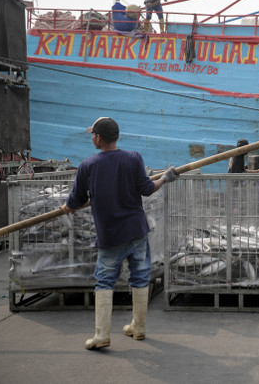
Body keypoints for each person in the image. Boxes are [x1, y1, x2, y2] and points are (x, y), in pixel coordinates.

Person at [61, 117, 178, 350]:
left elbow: (76, 200)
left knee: (104, 280)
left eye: (93, 134)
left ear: (99, 138)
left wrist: (68, 207)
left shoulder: (88, 165)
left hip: (111, 234)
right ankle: (139, 328)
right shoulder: (133, 158)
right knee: (140, 277)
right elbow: (147, 188)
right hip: (136, 231)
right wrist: (165, 178)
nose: (92, 138)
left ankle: (102, 334)